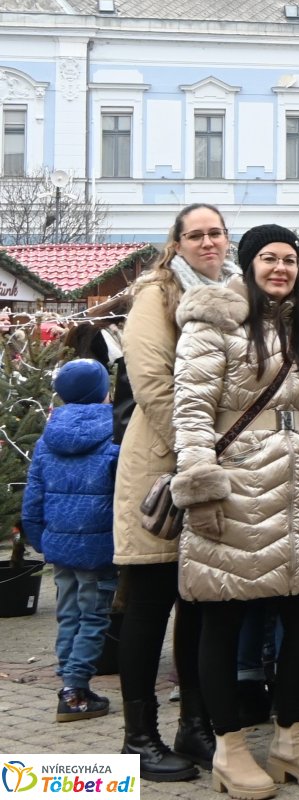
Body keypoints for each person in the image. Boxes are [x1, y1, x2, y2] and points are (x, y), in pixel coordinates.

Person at [170, 224, 299, 797]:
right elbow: (193, 407)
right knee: (223, 617)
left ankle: (290, 739)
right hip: (236, 489)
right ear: (248, 263)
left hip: (298, 491)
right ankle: (228, 747)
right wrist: (200, 484)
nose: (280, 268)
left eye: (290, 259)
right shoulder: (213, 321)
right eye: (269, 258)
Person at [112, 203, 232, 780]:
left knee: (202, 606)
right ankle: (138, 737)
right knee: (151, 602)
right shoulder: (157, 293)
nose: (208, 242)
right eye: (196, 234)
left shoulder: (235, 290)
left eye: (216, 232)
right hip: (162, 466)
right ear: (177, 241)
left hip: (213, 468)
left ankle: (195, 725)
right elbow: (153, 382)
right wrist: (196, 451)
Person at [23, 358, 120, 723]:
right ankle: (75, 691)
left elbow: (33, 496)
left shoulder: (49, 437)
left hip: (61, 546)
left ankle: (69, 680)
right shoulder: (113, 433)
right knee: (93, 618)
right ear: (101, 391)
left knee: (68, 616)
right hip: (99, 547)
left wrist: (41, 540)